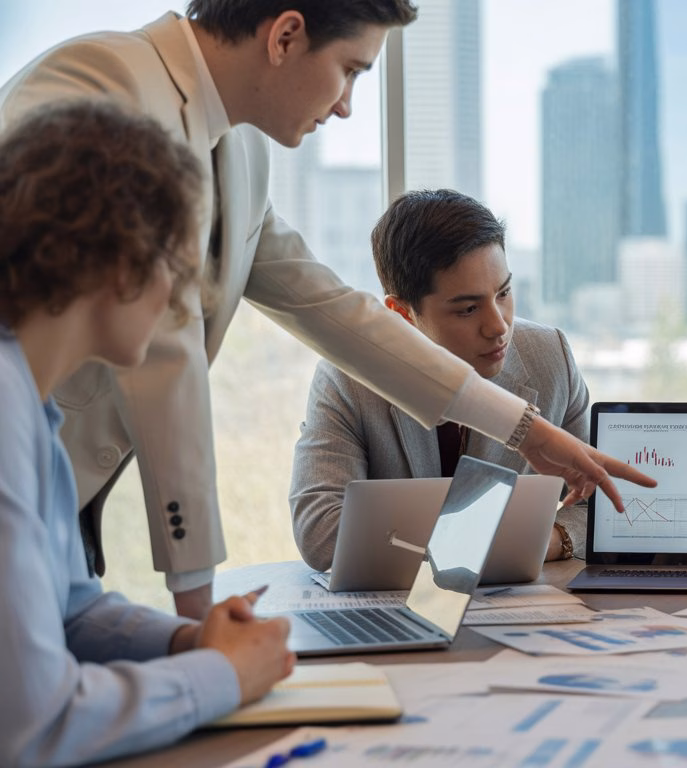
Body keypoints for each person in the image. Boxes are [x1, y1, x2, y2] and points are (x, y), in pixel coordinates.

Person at [0, 1, 653, 617]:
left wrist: (524, 430)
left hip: (64, 502)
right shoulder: (99, 83)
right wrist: (197, 608)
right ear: (284, 37)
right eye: (351, 71)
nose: (345, 106)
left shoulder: (244, 151)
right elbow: (166, 360)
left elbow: (333, 311)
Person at [0, 100, 294, 767]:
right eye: (179, 266)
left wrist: (191, 645)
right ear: (123, 261)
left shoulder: (34, 406)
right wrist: (225, 677)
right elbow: (33, 725)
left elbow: (71, 613)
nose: (181, 297)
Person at [291, 189, 590, 570]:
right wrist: (498, 543)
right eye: (467, 309)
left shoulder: (550, 356)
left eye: (504, 293)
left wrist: (549, 541)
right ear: (401, 313)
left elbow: (597, 506)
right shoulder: (347, 379)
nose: (498, 326)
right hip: (397, 616)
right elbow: (322, 533)